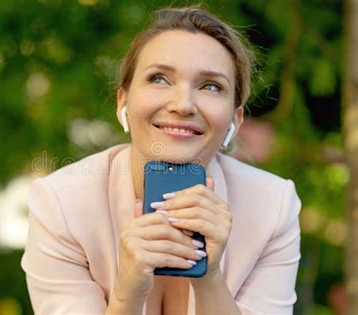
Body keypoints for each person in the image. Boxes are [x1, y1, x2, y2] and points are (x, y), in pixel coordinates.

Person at [21, 5, 301, 315]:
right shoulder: (61, 206)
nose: (182, 105)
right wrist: (127, 293)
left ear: (235, 120)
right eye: (159, 79)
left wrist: (210, 277)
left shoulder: (273, 207)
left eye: (210, 86)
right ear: (123, 103)